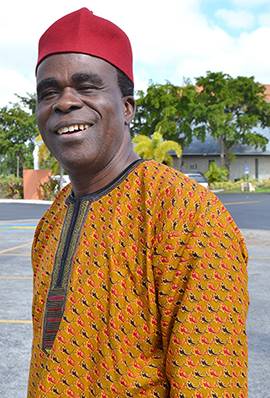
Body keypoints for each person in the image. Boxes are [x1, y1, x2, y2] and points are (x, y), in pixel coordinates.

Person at [28, 8, 249, 398]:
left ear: (128, 107)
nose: (64, 103)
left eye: (87, 86)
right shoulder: (51, 222)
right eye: (48, 92)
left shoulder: (187, 214)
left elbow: (211, 385)